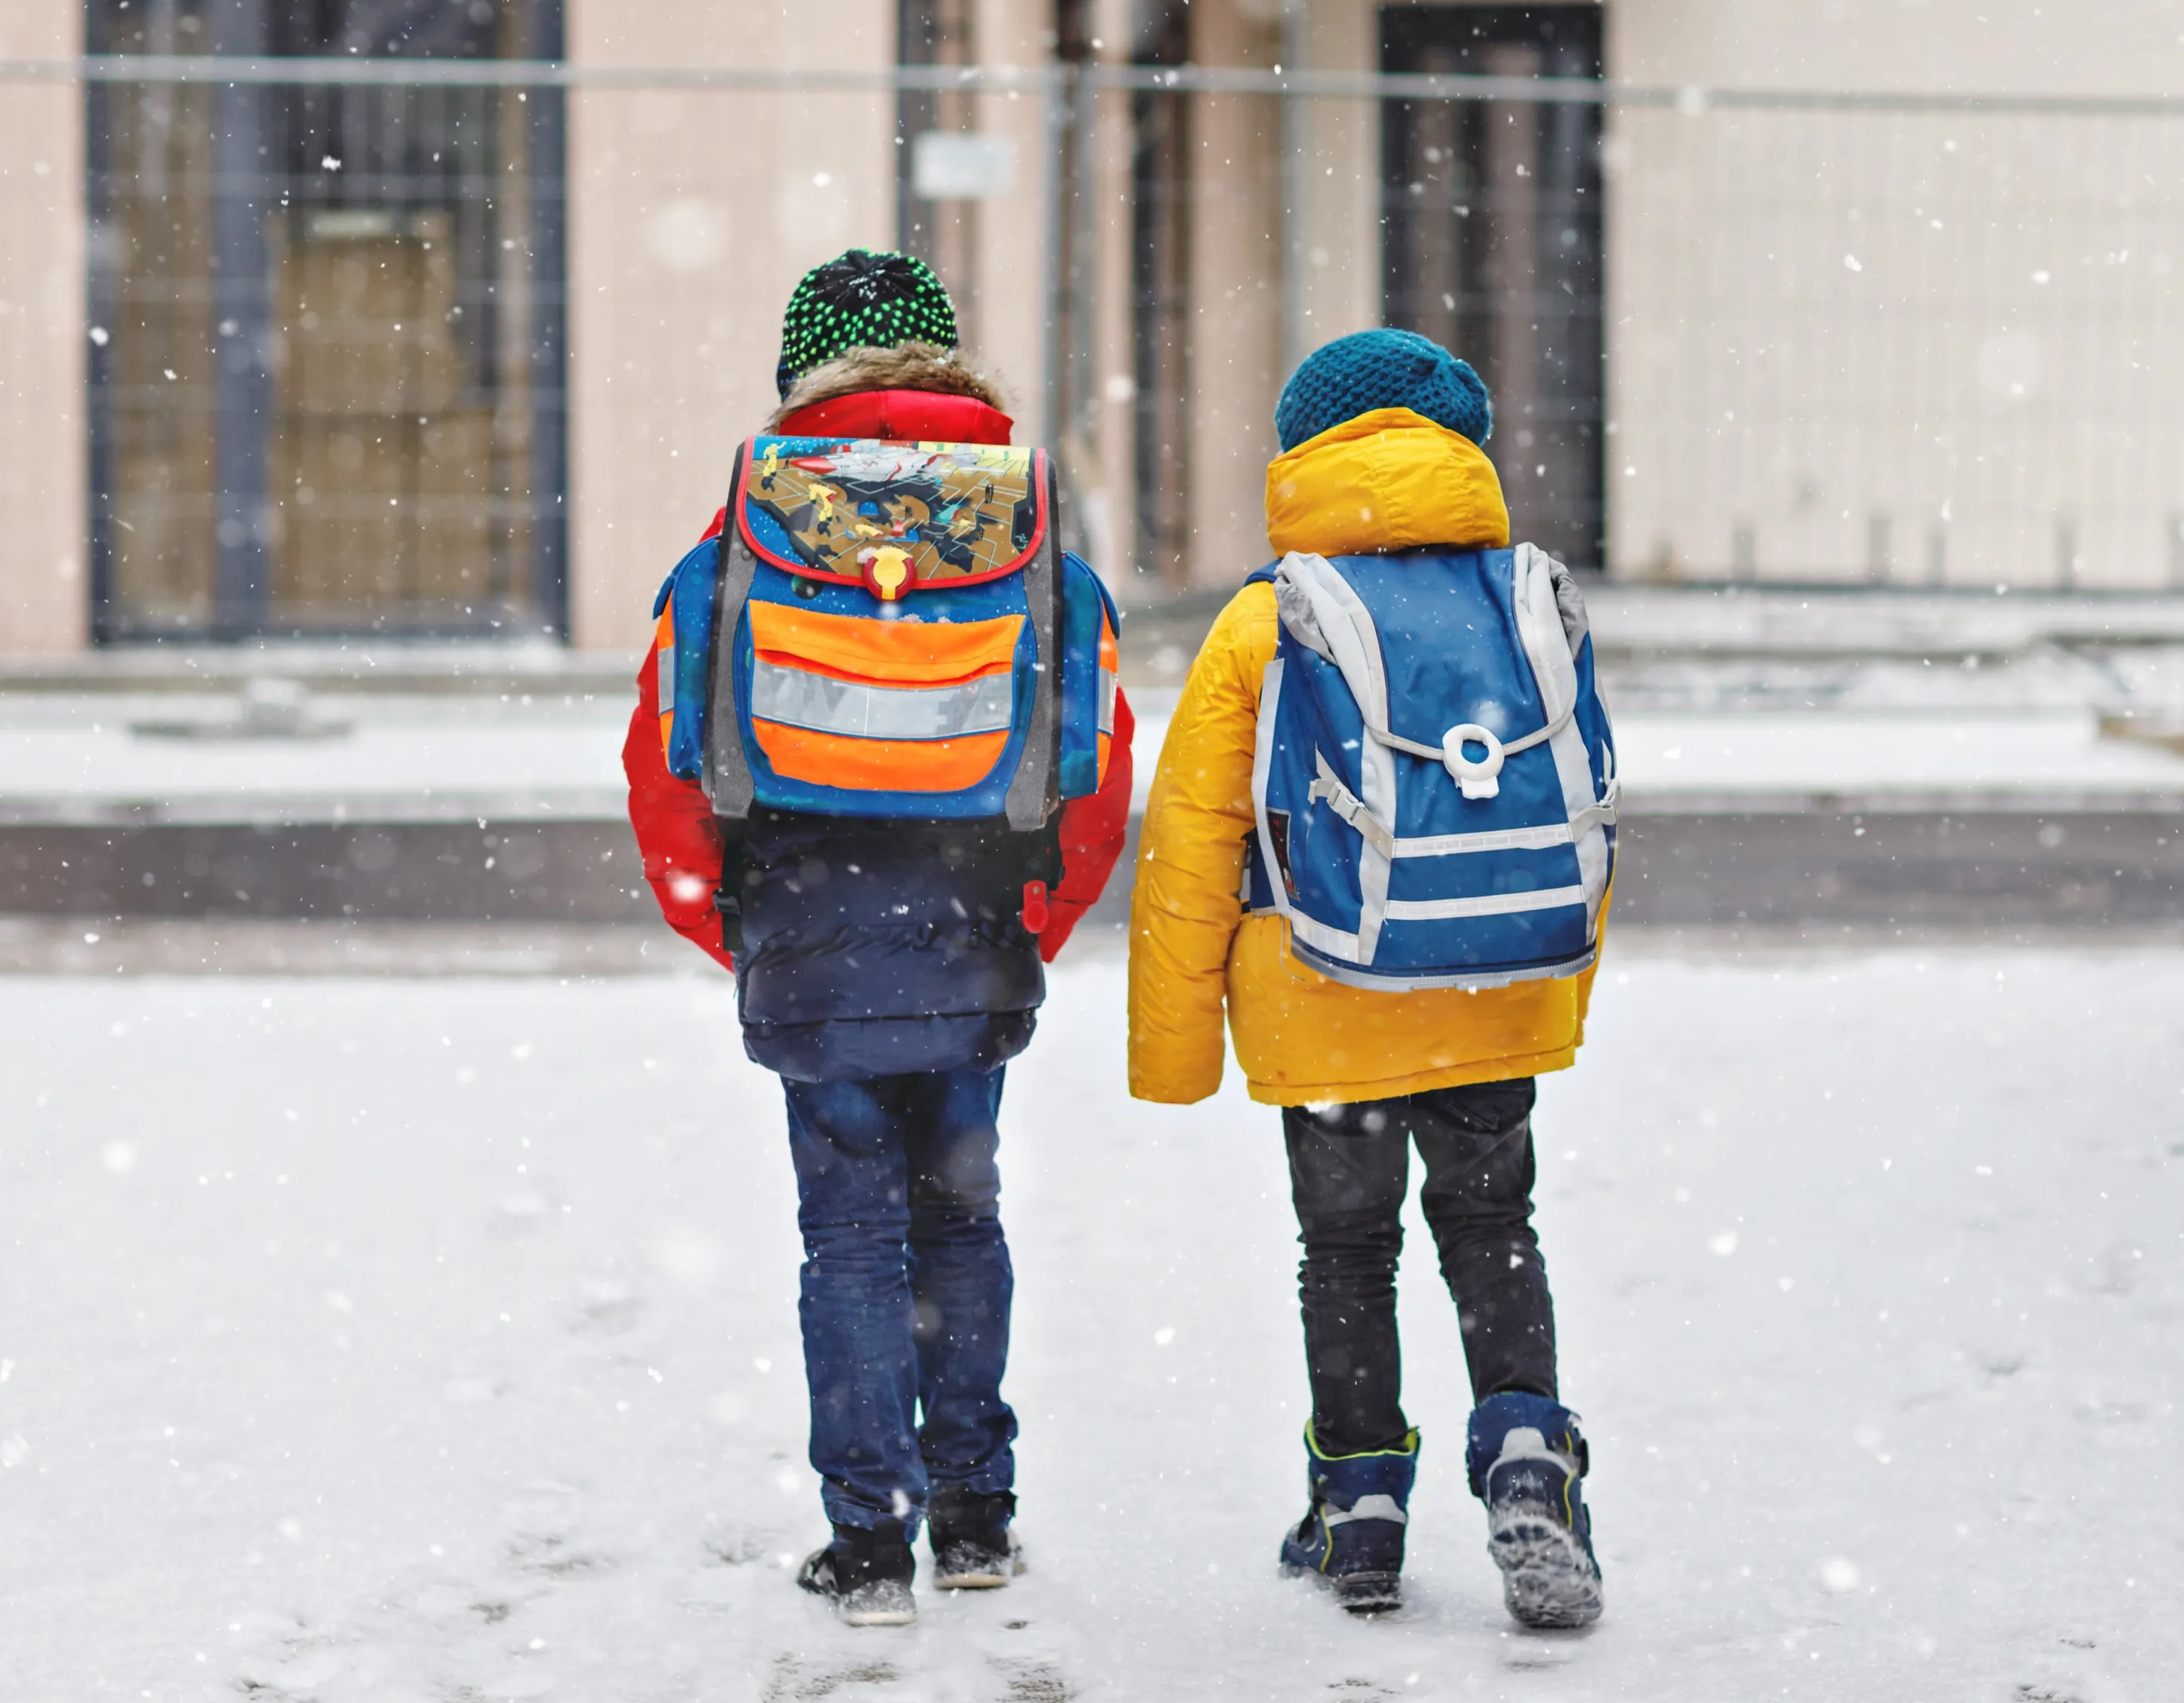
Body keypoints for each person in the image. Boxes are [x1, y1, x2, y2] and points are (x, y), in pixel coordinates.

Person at [625, 249, 1134, 1627]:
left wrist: (732, 925)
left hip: (805, 925)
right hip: (975, 926)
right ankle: (975, 1514)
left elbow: (666, 770)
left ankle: (870, 1543)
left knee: (846, 1234)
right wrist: (1042, 912)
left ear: (804, 371)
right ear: (946, 361)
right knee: (960, 1216)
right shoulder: (1027, 535)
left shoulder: (742, 540)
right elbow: (1095, 764)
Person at [1127, 329, 1610, 1629]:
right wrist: (1560, 983)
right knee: (1493, 1230)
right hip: (1494, 984)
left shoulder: (1269, 613)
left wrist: (1176, 1049)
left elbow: (1189, 844)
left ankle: (1360, 1509)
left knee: (1345, 1251)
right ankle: (1527, 1460)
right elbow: (1582, 811)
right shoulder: (1526, 598)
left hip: (1323, 990)